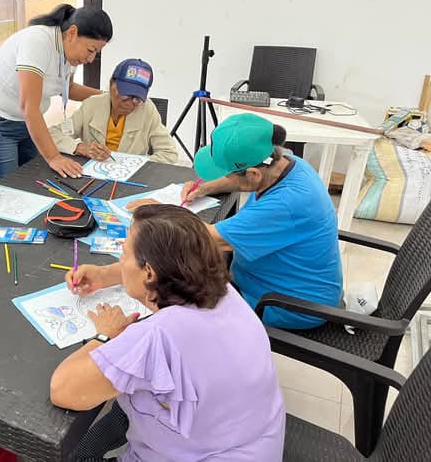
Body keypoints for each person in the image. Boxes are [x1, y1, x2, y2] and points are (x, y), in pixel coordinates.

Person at [51, 205, 285, 461]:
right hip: (254, 442)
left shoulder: (157, 336)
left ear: (149, 272)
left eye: (125, 253)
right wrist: (105, 274)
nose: (121, 254)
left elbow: (64, 390)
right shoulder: (222, 290)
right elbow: (172, 264)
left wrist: (105, 336)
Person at [130, 113, 343, 329]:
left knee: (174, 294)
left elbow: (206, 239)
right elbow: (242, 179)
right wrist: (204, 188)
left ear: (253, 174)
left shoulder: (286, 204)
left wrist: (159, 211)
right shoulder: (284, 163)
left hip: (286, 305)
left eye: (227, 173)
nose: (221, 177)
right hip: (266, 279)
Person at [0, 3, 113, 180]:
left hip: (28, 123)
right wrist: (54, 157)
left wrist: (107, 96)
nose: (90, 59)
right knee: (8, 186)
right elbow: (29, 107)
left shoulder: (68, 53)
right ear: (72, 33)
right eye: (90, 50)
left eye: (96, 53)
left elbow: (69, 89)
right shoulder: (37, 41)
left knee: (33, 180)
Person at [49, 58, 177, 164]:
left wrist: (136, 164)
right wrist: (80, 148)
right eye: (125, 95)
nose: (129, 104)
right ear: (111, 85)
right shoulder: (91, 105)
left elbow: (169, 153)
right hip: (92, 174)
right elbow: (54, 134)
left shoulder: (147, 110)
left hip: (130, 179)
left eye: (137, 99)